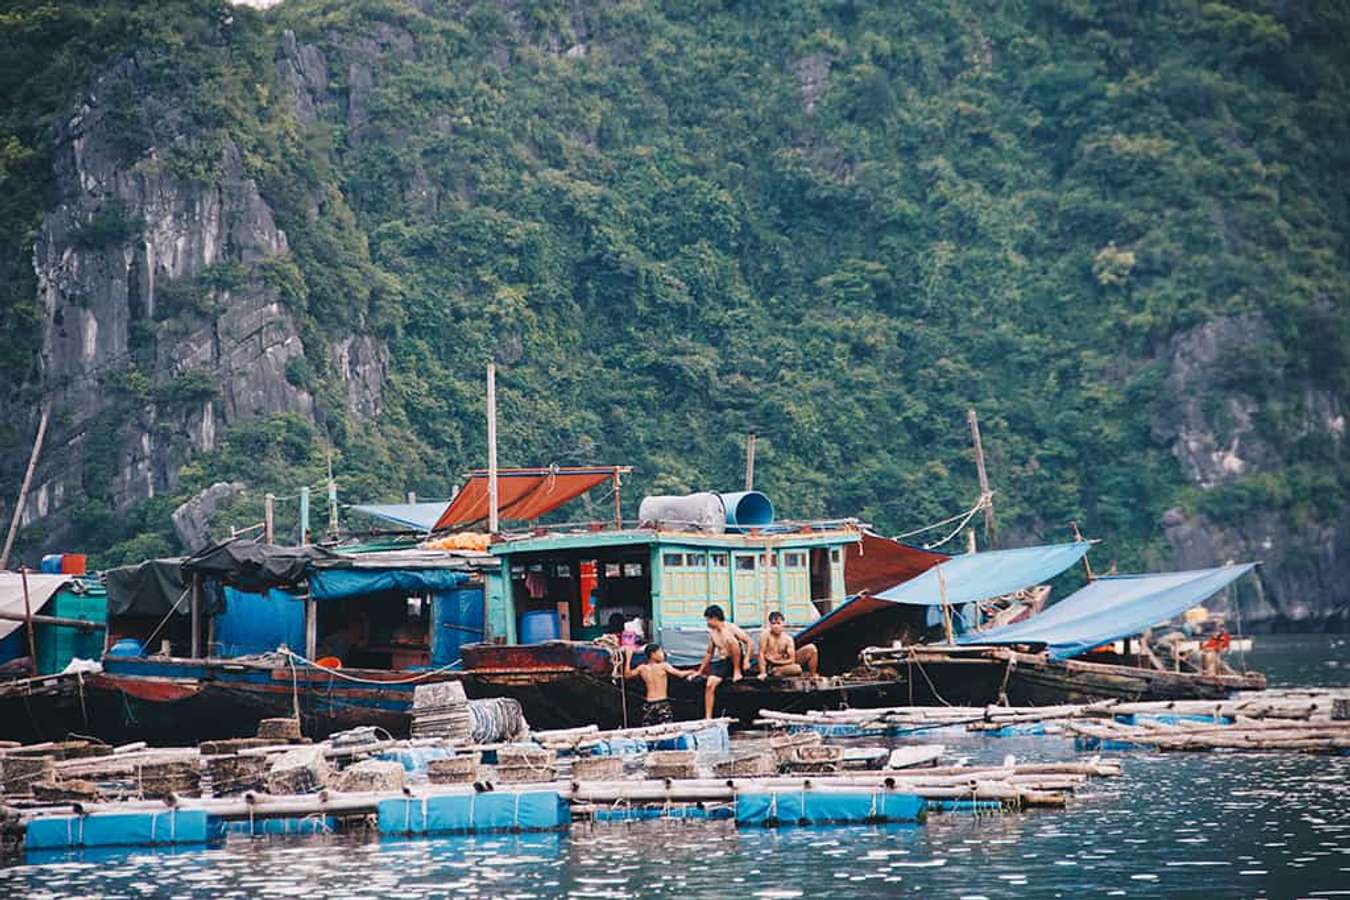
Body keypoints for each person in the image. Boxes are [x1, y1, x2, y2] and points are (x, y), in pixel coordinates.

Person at [693, 604, 754, 719]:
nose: (707, 623)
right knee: (710, 684)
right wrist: (700, 671)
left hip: (737, 660)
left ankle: (737, 671)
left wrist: (746, 660)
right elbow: (709, 654)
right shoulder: (713, 633)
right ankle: (708, 717)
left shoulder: (730, 627)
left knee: (731, 641)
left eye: (708, 620)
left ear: (715, 618)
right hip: (724, 662)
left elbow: (749, 642)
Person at [623, 642, 695, 726]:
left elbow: (627, 675)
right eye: (660, 652)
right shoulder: (663, 666)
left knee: (648, 729)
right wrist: (692, 671)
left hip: (649, 704)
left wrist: (628, 658)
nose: (662, 655)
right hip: (662, 703)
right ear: (653, 654)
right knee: (666, 729)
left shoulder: (642, 668)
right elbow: (680, 674)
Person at [758, 610, 819, 679]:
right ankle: (776, 672)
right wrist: (762, 672)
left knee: (812, 648)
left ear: (783, 624)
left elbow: (792, 660)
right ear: (770, 625)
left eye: (778, 623)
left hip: (785, 664)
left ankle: (813, 674)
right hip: (772, 667)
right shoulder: (765, 635)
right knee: (796, 669)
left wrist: (775, 661)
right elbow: (761, 654)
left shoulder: (788, 639)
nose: (776, 626)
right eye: (773, 624)